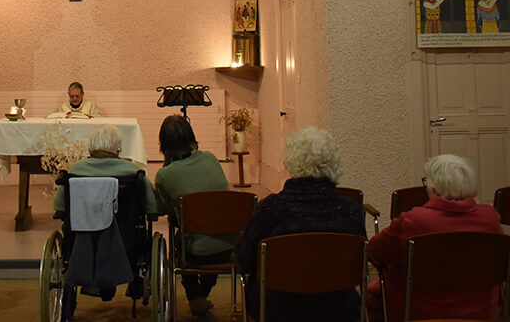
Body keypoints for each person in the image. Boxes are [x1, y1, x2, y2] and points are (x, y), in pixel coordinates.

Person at [235, 126, 364, 322]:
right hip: (337, 307)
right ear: (333, 162)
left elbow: (244, 259)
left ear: (291, 162)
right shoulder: (350, 210)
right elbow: (360, 263)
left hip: (279, 307)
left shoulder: (271, 208)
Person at [367, 154, 502, 322]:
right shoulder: (490, 218)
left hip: (419, 313)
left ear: (434, 189)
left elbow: (375, 251)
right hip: (480, 312)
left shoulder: (413, 220)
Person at [154, 115, 231, 318]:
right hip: (230, 243)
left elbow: (162, 209)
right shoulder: (211, 159)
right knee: (213, 230)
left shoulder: (165, 175)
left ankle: (194, 296)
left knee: (181, 239)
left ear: (164, 144)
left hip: (197, 251)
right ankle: (201, 295)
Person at [53, 124, 156, 214]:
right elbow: (152, 206)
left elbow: (59, 206)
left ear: (89, 150)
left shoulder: (76, 169)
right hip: (125, 231)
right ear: (119, 151)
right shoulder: (133, 171)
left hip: (83, 231)